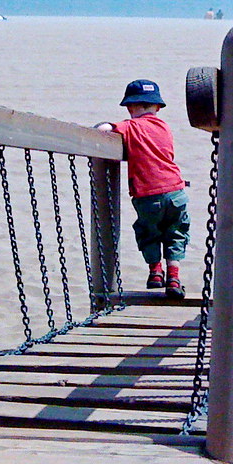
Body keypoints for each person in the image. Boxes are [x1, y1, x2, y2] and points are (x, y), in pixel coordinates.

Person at [97, 79, 190, 299]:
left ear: (130, 107)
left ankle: (155, 273)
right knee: (176, 233)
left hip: (147, 194)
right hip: (175, 190)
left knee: (149, 232)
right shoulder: (165, 128)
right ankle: (174, 278)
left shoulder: (130, 126)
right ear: (157, 107)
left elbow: (103, 129)